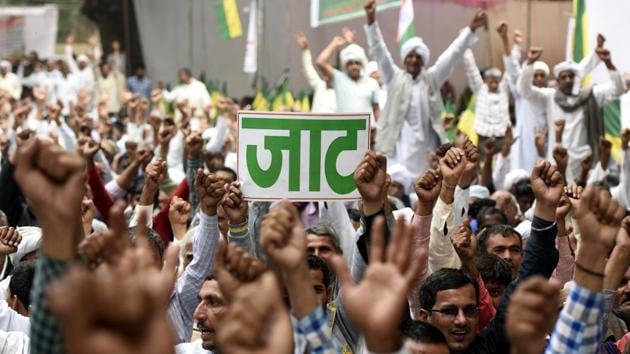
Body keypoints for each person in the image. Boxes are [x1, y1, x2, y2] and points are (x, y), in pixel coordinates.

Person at [364, 0, 487, 178]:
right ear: (404, 58)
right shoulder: (394, 78)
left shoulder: (431, 80)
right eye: (410, 56)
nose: (414, 60)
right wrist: (371, 21)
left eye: (418, 56)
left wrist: (470, 30)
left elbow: (451, 55)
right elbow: (379, 50)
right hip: (398, 150)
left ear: (423, 60)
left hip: (426, 152)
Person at [518, 46, 624, 182]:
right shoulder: (549, 97)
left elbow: (618, 89)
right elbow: (525, 91)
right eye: (564, 77)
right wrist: (530, 63)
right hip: (557, 158)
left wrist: (609, 64)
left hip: (584, 161)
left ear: (576, 79)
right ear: (557, 81)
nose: (568, 80)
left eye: (571, 76)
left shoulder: (590, 96)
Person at [316, 32, 380, 121]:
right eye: (350, 63)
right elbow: (320, 62)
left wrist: (380, 131)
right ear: (345, 66)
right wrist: (334, 44)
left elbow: (376, 109)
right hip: (343, 130)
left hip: (366, 132)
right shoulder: (339, 79)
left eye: (357, 63)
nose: (354, 66)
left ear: (361, 65)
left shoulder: (372, 83)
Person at [295, 33, 336, 113]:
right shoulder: (320, 86)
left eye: (331, 74)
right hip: (316, 124)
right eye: (326, 73)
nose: (328, 76)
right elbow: (308, 69)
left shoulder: (340, 92)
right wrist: (306, 49)